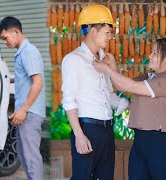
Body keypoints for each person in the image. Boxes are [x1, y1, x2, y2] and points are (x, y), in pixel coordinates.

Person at [94, 38, 166, 180]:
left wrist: (108, 70)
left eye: (154, 53)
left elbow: (131, 86)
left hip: (162, 142)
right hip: (140, 140)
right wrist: (113, 66)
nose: (150, 56)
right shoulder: (148, 77)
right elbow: (122, 86)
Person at [61, 4, 128, 180]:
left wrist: (123, 103)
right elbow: (69, 100)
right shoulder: (73, 60)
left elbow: (108, 96)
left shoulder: (104, 60)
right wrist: (79, 135)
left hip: (107, 130)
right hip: (87, 129)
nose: (110, 37)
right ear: (92, 31)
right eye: (107, 32)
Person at [0, 16, 45, 180]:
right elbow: (26, 77)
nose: (5, 42)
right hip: (25, 113)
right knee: (25, 157)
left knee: (31, 159)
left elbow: (38, 82)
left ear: (16, 32)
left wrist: (23, 110)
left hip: (29, 113)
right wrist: (7, 79)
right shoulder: (23, 52)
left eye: (5, 38)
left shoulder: (28, 52)